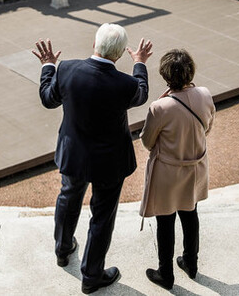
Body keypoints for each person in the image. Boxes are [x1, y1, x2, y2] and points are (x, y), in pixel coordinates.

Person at [33, 24, 152, 294]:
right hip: (110, 161)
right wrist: (140, 64)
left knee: (68, 199)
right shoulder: (127, 84)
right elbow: (142, 92)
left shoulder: (67, 69)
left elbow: (48, 100)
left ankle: (63, 250)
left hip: (74, 155)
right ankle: (92, 275)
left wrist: (48, 66)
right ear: (121, 54)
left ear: (94, 44)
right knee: (102, 216)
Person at [139, 49, 216, 290]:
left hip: (168, 172)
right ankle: (191, 264)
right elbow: (208, 127)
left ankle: (166, 273)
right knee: (190, 214)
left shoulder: (160, 107)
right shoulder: (204, 94)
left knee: (166, 222)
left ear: (165, 75)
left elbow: (147, 141)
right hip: (195, 168)